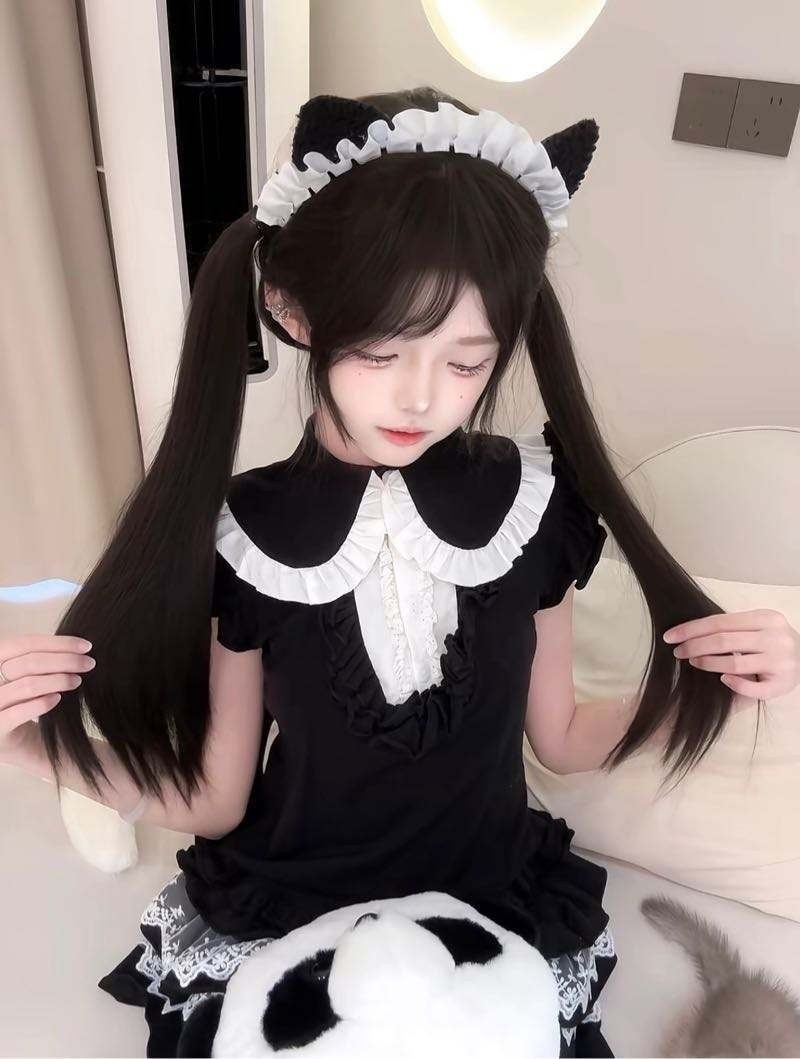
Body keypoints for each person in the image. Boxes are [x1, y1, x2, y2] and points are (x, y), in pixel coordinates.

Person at [2, 86, 798, 1058]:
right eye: (381, 351)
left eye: (466, 363)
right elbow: (217, 801)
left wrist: (712, 686)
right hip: (293, 907)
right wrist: (37, 749)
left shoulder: (532, 504)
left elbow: (561, 736)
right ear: (294, 312)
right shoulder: (247, 533)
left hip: (484, 905)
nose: (422, 397)